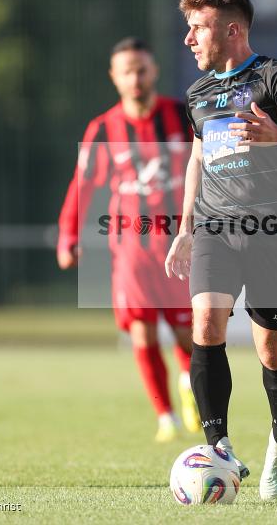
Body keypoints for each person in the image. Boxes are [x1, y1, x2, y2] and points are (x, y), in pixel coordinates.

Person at [164, 0, 277, 500]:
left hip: (273, 231)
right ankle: (221, 450)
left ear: (232, 29)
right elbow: (195, 159)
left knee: (273, 350)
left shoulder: (275, 77)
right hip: (215, 226)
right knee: (206, 322)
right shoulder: (197, 95)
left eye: (198, 28)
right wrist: (186, 227)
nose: (188, 39)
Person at [57, 37, 199, 443]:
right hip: (132, 248)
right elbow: (82, 186)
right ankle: (165, 418)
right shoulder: (104, 129)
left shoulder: (182, 116)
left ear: (153, 71)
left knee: (190, 335)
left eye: (141, 69)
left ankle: (192, 385)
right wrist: (69, 234)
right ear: (114, 78)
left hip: (179, 245)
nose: (135, 78)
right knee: (142, 330)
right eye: (127, 71)